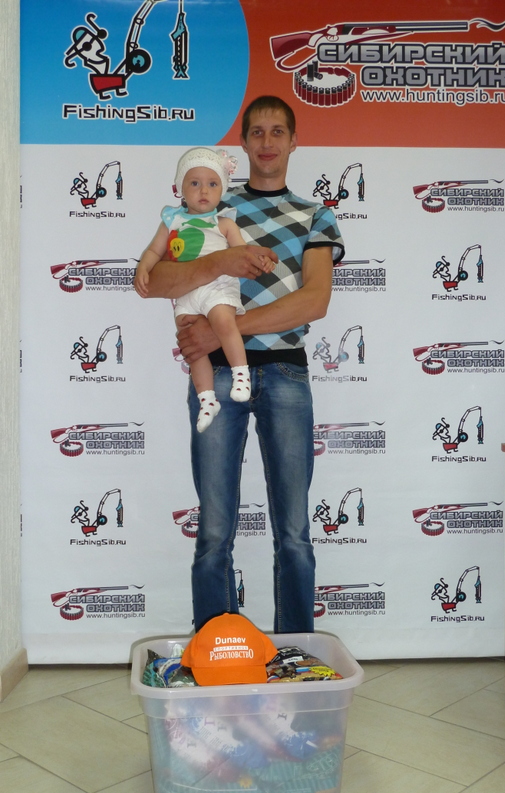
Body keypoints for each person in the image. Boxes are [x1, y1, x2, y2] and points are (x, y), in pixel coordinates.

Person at [137, 95, 345, 633]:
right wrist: (221, 261)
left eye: (278, 131)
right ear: (244, 142)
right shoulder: (207, 201)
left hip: (286, 372)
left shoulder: (316, 215)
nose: (267, 142)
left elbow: (315, 301)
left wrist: (224, 328)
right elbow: (156, 281)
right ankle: (217, 651)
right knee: (213, 531)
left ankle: (297, 654)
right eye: (257, 132)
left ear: (294, 141)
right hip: (216, 374)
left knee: (294, 532)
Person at [135, 147, 274, 432]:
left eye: (212, 184)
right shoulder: (171, 221)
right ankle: (207, 399)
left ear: (222, 190)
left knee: (223, 322)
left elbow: (243, 253)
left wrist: (261, 260)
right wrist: (143, 268)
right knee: (193, 347)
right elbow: (153, 251)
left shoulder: (224, 223)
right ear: (180, 188)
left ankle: (241, 374)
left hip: (217, 288)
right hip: (186, 293)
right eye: (194, 183)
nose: (203, 190)